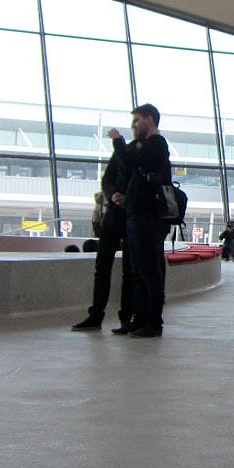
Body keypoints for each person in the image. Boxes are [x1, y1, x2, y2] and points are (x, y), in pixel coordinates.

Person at [73, 131, 135, 334]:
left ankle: (126, 317)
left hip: (130, 217)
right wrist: (112, 195)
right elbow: (107, 179)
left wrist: (123, 196)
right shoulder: (122, 154)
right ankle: (96, 315)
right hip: (114, 217)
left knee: (129, 270)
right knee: (103, 267)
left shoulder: (134, 153)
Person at [119, 103, 173, 337]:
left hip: (147, 217)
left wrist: (119, 144)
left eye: (137, 120)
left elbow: (134, 163)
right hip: (138, 214)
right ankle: (140, 319)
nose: (135, 125)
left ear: (149, 119)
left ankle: (152, 321)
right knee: (139, 270)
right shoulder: (148, 145)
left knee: (149, 271)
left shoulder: (156, 144)